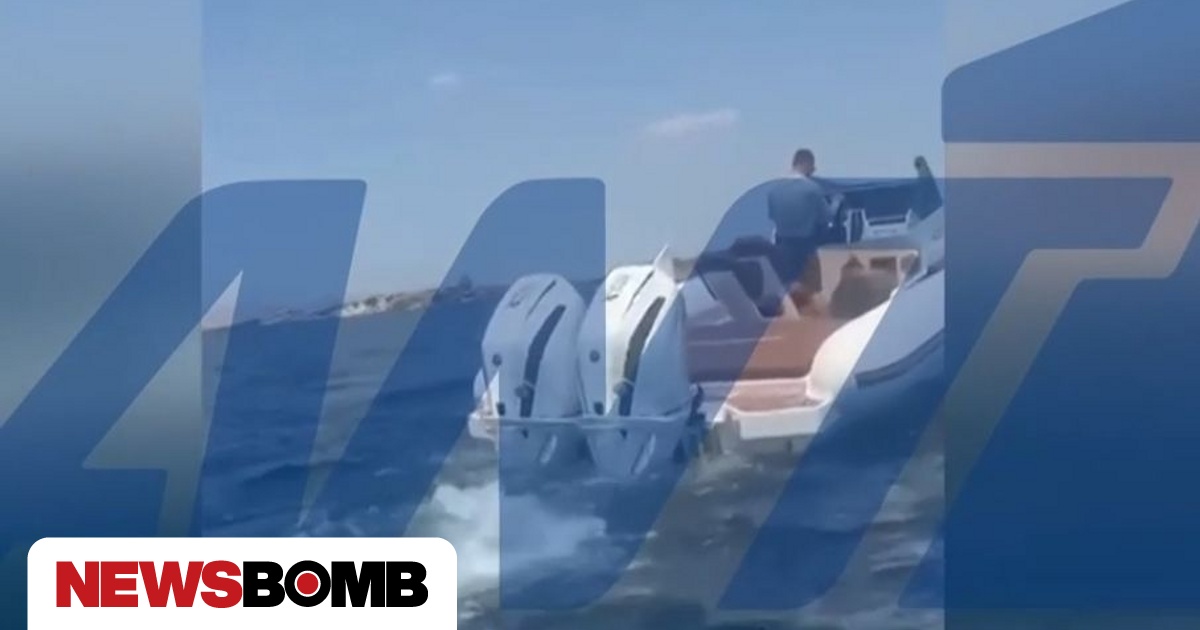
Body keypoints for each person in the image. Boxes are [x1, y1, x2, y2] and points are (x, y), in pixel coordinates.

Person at [767, 148, 835, 289]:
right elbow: (826, 218)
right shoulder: (812, 189)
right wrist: (836, 203)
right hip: (805, 250)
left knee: (786, 291)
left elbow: (773, 216)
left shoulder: (774, 191)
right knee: (812, 292)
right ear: (808, 164)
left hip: (782, 250)